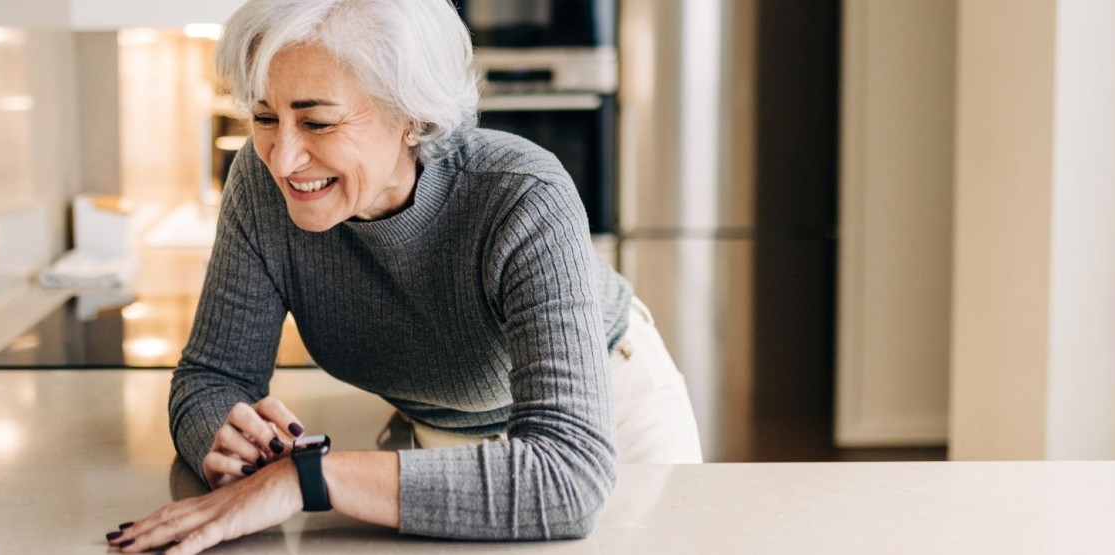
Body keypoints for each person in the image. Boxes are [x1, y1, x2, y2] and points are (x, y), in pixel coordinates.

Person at [107, 0, 702, 552]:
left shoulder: (521, 194)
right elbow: (212, 376)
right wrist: (224, 436)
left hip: (613, 425)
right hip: (439, 437)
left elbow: (567, 475)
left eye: (317, 123)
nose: (282, 159)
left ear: (411, 118)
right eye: (265, 116)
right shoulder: (259, 189)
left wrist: (306, 478)